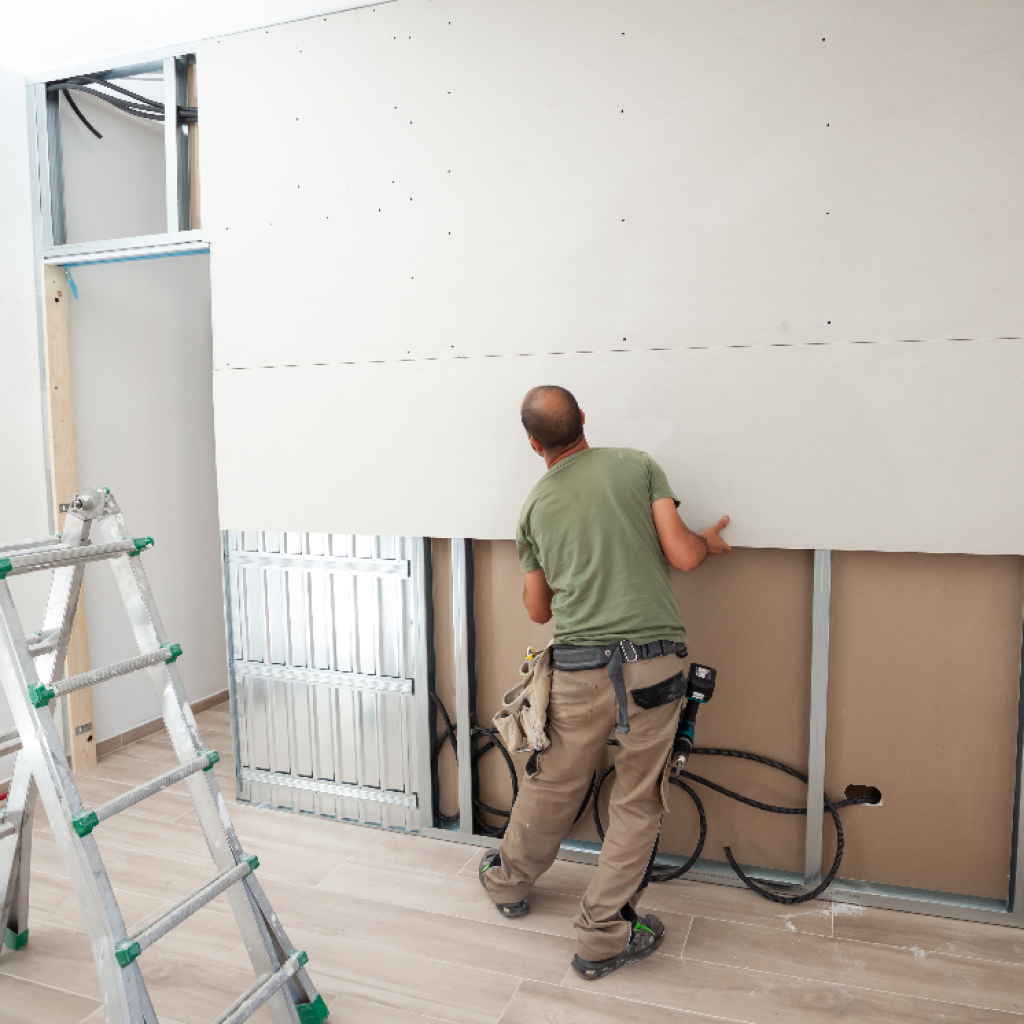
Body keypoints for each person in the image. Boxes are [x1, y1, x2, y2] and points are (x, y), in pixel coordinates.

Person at [478, 385, 731, 980]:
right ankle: (601, 937)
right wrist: (710, 544)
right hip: (653, 669)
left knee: (552, 784)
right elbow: (684, 555)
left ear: (534, 443)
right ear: (584, 420)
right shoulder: (637, 465)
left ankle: (507, 883)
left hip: (576, 671)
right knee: (637, 801)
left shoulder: (534, 506)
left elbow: (538, 610)